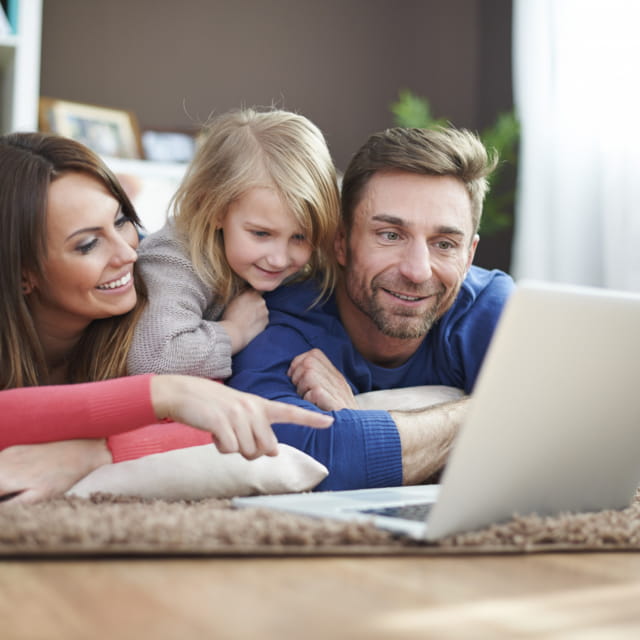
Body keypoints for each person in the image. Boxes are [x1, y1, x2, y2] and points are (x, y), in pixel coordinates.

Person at [0, 132, 333, 503]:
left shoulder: (153, 305)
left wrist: (95, 453)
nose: (128, 253)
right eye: (88, 244)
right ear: (21, 272)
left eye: (122, 220)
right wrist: (163, 393)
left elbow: (223, 417)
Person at [228, 126, 516, 490]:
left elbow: (557, 436)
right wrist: (497, 408)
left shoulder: (487, 307)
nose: (417, 270)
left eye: (444, 244)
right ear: (342, 243)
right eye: (390, 235)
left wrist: (360, 419)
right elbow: (302, 460)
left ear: (469, 254)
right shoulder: (279, 319)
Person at [127, 107, 340, 379]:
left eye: (300, 237)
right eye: (261, 234)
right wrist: (235, 330)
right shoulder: (174, 258)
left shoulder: (289, 267)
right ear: (213, 208)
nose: (279, 258)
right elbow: (155, 358)